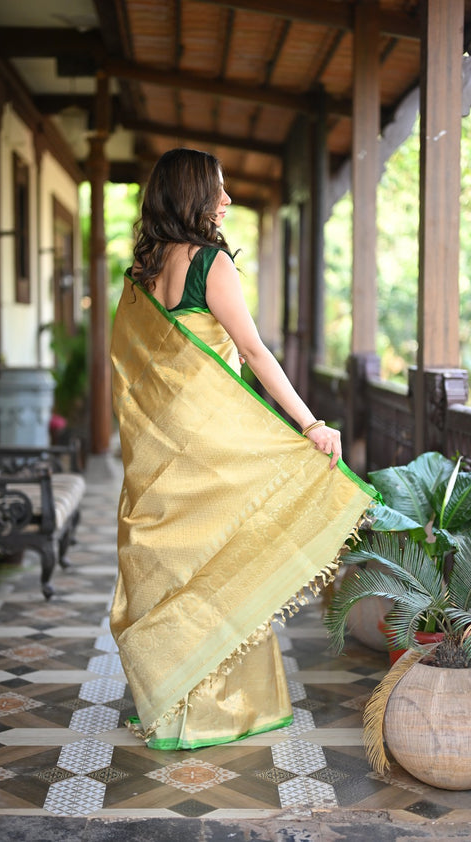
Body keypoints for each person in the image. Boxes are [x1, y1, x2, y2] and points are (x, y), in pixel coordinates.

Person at [110, 147, 376, 751]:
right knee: (219, 567)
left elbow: (135, 377)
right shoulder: (211, 264)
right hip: (213, 447)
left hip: (161, 453)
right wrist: (311, 424)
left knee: (170, 570)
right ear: (190, 198)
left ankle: (165, 707)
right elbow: (255, 353)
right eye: (217, 190)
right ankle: (210, 712)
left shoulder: (141, 274)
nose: (227, 200)